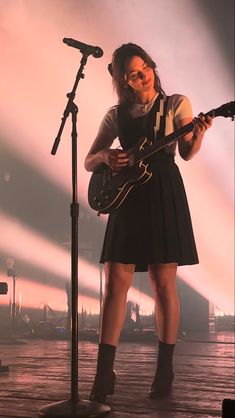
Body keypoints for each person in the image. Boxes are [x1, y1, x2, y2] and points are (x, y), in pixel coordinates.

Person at [84, 43, 212, 404]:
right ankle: (103, 373)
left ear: (152, 68)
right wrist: (106, 156)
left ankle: (164, 371)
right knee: (115, 284)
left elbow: (185, 152)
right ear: (122, 80)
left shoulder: (175, 105)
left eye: (146, 69)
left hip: (161, 193)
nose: (142, 77)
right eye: (133, 74)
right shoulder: (115, 114)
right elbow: (89, 160)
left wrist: (197, 134)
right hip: (126, 195)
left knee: (162, 283)